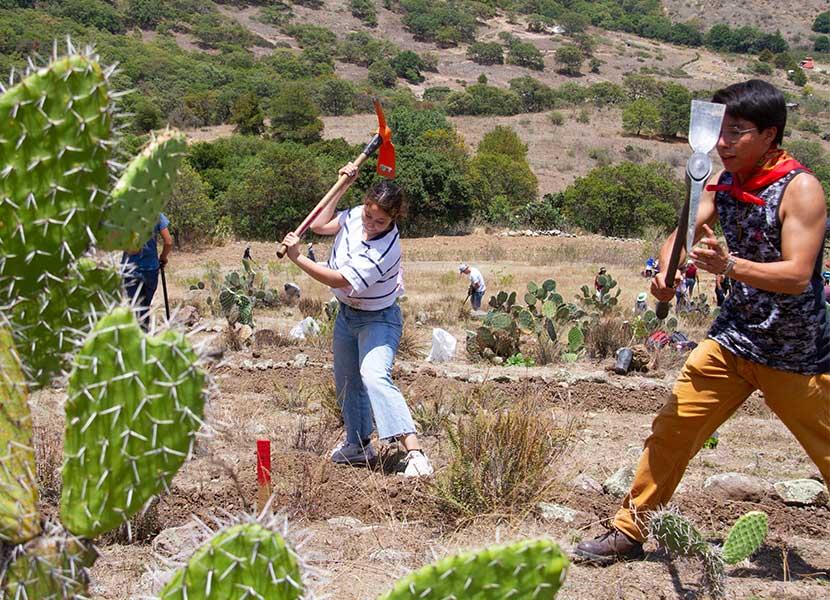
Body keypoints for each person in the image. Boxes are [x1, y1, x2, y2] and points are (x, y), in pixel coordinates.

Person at [575, 79, 829, 564]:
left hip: (794, 352)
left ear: (770, 134)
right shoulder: (723, 182)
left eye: (737, 132)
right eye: (720, 131)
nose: (724, 143)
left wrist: (729, 267)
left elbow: (798, 275)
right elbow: (684, 228)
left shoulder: (801, 189)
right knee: (673, 429)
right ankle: (629, 530)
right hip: (732, 340)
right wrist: (663, 272)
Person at [280, 163, 433, 478]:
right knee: (347, 381)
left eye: (381, 221)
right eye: (368, 215)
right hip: (347, 315)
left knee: (374, 376)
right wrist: (343, 184)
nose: (372, 224)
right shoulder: (353, 217)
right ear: (364, 206)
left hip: (378, 319)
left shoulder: (385, 248)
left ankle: (415, 454)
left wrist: (298, 258)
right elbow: (321, 224)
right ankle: (359, 445)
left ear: (394, 219)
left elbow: (340, 280)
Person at [122, 213, 173, 330]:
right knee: (145, 307)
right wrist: (163, 257)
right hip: (150, 268)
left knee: (135, 308)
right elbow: (168, 242)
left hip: (130, 269)